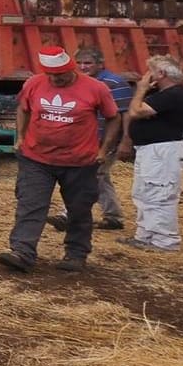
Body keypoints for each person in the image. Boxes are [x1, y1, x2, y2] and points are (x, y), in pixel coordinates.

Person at [0, 45, 121, 274]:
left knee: (79, 209)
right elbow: (23, 109)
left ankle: (76, 254)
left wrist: (104, 149)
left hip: (80, 161)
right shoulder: (33, 84)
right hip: (36, 158)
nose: (56, 79)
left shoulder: (96, 88)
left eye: (61, 75)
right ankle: (22, 252)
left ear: (71, 68)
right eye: (51, 75)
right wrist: (21, 137)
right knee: (30, 204)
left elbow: (114, 117)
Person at [49, 47, 132, 232]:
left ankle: (67, 215)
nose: (83, 67)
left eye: (88, 63)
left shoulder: (114, 82)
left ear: (101, 64)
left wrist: (126, 139)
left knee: (85, 175)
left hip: (105, 139)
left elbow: (125, 113)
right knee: (99, 176)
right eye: (79, 63)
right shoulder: (77, 82)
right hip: (82, 138)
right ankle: (113, 216)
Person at [116, 56, 183, 253]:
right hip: (151, 149)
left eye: (149, 71)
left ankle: (165, 240)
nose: (146, 75)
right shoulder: (164, 94)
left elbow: (135, 112)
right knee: (144, 192)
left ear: (161, 74)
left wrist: (141, 89)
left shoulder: (173, 95)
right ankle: (145, 235)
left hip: (162, 151)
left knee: (160, 194)